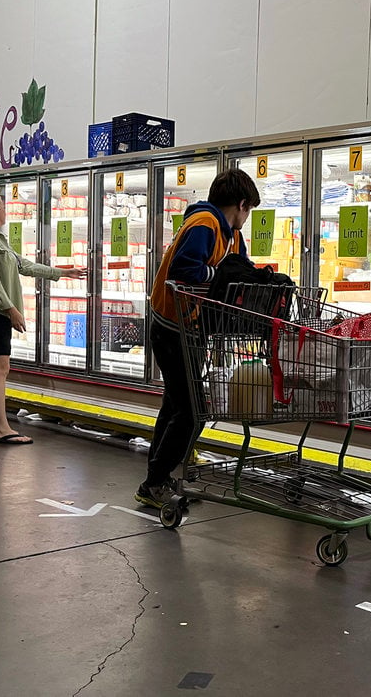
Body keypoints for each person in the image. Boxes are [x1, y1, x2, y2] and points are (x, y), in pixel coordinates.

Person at [136, 168, 260, 508]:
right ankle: (154, 483)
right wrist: (220, 277)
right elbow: (184, 269)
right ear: (241, 203)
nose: (246, 219)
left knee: (175, 404)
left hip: (192, 328)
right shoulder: (205, 223)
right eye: (248, 211)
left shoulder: (230, 234)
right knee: (192, 410)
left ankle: (156, 479)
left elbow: (239, 272)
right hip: (171, 328)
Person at [0, 190, 86, 444]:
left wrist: (64, 273)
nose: (6, 211)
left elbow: (23, 265)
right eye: (2, 206)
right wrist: (10, 309)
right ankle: (2, 429)